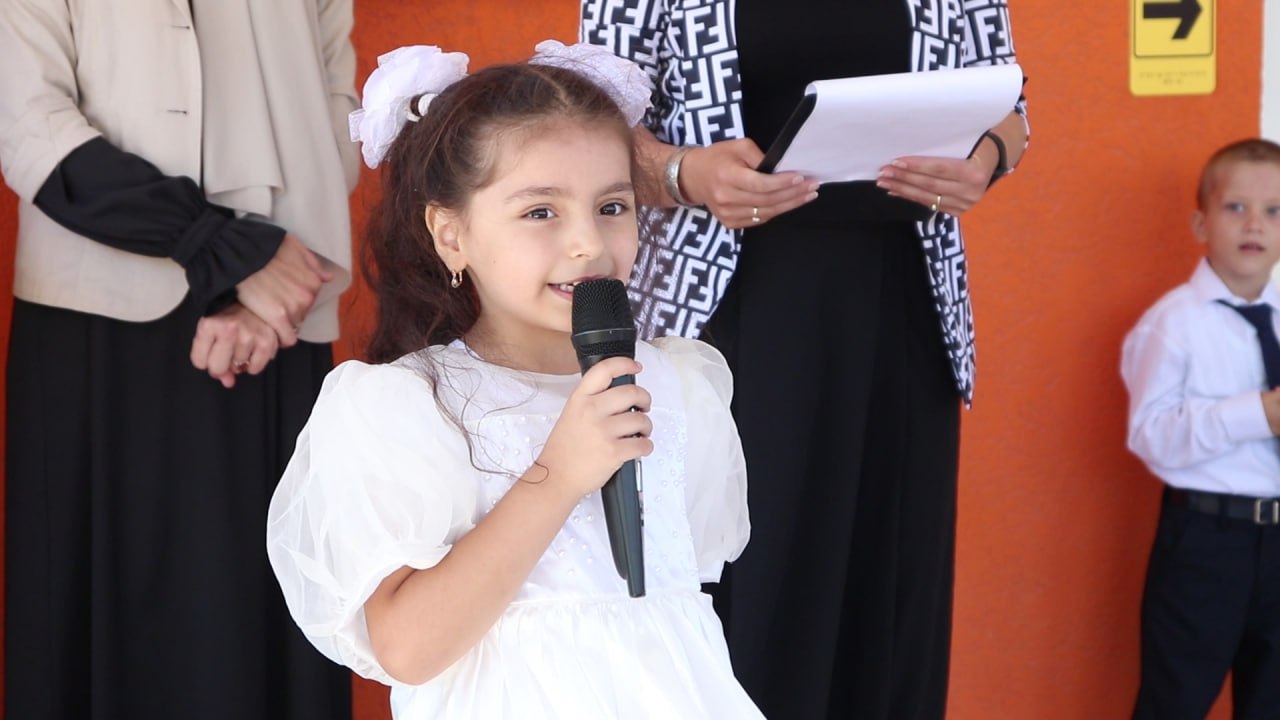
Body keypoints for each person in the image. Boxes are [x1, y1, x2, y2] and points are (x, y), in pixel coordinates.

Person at [265, 42, 762, 719]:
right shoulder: (409, 406)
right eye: (540, 212)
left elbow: (676, 597)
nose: (588, 243)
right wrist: (557, 476)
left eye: (612, 207)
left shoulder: (677, 385)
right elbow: (407, 648)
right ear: (451, 235)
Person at [582, 2, 1029, 718]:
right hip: (730, 311)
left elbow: (1008, 106)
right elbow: (587, 122)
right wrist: (684, 172)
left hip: (908, 308)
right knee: (754, 593)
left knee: (892, 605)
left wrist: (988, 158)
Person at [0, 2, 358, 719]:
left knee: (264, 606)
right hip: (94, 319)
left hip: (276, 321)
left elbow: (333, 112)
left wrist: (271, 284)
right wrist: (219, 247)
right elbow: (28, 121)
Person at [1121, 138, 1280, 720]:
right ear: (1200, 224)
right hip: (1206, 542)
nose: (1254, 224)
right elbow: (1151, 434)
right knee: (1177, 700)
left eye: (1274, 211)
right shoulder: (1173, 324)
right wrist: (1257, 413)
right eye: (1236, 207)